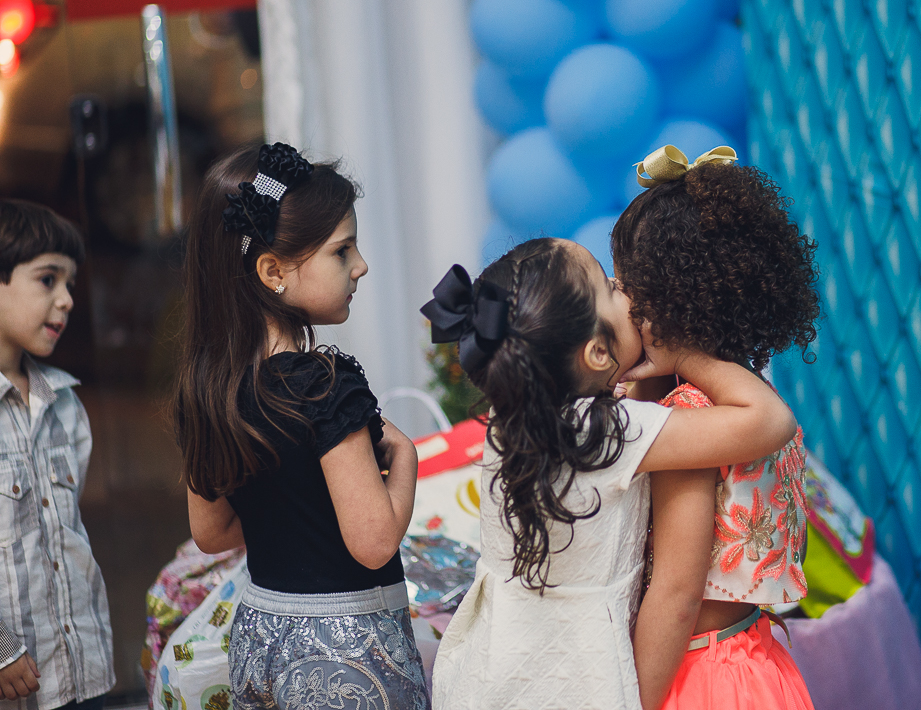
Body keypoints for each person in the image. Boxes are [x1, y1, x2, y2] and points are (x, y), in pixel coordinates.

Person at [423, 238, 799, 710]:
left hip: (492, 666)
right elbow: (770, 421)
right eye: (609, 285)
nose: (628, 291)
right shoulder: (605, 433)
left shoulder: (517, 417)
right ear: (598, 354)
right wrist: (684, 355)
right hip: (574, 677)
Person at [174, 143, 427, 710]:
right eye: (342, 251)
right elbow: (375, 541)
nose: (360, 265)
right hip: (345, 658)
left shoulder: (208, 388)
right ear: (272, 272)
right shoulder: (323, 386)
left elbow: (211, 533)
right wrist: (405, 459)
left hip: (259, 640)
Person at [611, 145, 822, 710]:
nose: (616, 294)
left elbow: (677, 594)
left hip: (698, 675)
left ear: (661, 297)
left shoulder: (692, 416)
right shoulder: (748, 396)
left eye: (623, 280)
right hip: (754, 659)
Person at [0, 199, 113, 710]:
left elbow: (64, 531)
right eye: (48, 280)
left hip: (76, 671)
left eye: (69, 283)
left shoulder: (65, 404)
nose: (67, 299)